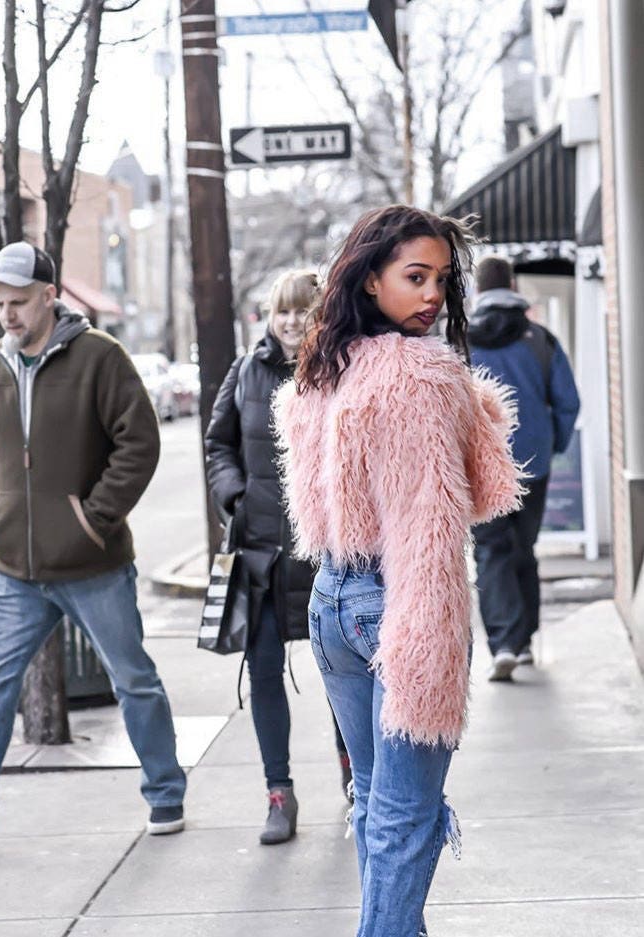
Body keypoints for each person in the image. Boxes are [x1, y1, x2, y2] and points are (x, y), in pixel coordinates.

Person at [273, 206, 522, 937]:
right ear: (370, 277)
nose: (433, 295)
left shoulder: (325, 365)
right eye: (415, 277)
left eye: (441, 279)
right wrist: (430, 642)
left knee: (379, 804)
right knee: (406, 818)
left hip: (333, 602)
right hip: (402, 600)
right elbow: (435, 525)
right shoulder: (420, 376)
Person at [0, 241, 186, 857]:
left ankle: (165, 791)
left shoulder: (99, 358)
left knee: (134, 680)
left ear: (50, 297)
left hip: (92, 564)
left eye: (20, 302)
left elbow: (140, 442)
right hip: (16, 571)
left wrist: (93, 518)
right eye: (0, 303)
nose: (9, 314)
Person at [205, 269, 351, 846]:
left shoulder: (339, 369)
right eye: (282, 311)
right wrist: (233, 496)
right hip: (261, 550)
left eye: (302, 310)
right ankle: (279, 794)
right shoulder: (245, 373)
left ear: (319, 313)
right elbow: (218, 443)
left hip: (327, 550)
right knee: (264, 672)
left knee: (341, 670)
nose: (292, 321)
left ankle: (353, 774)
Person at [467, 255, 580, 681]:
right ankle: (525, 639)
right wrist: (555, 444)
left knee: (491, 550)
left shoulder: (461, 341)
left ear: (478, 290)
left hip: (481, 467)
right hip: (533, 461)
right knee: (524, 549)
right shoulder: (540, 339)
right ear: (512, 284)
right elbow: (568, 402)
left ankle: (504, 644)